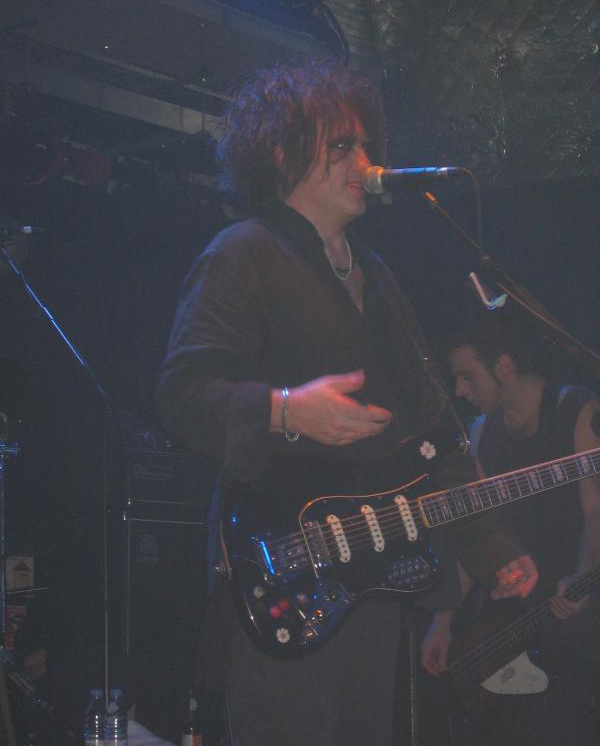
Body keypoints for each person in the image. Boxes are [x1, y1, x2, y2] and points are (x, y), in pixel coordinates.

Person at [156, 59, 535, 746]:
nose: (364, 161)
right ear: (281, 152)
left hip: (373, 579)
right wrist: (284, 409)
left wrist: (491, 548)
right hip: (285, 569)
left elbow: (436, 432)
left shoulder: (375, 275)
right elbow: (182, 395)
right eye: (341, 145)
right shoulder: (243, 254)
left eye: (365, 144)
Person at [421, 308, 600, 745]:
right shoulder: (482, 434)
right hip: (510, 625)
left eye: (467, 377)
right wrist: (443, 620)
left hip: (576, 614)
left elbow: (596, 510)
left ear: (503, 366)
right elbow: (475, 536)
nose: (460, 391)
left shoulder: (577, 408)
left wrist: (581, 577)